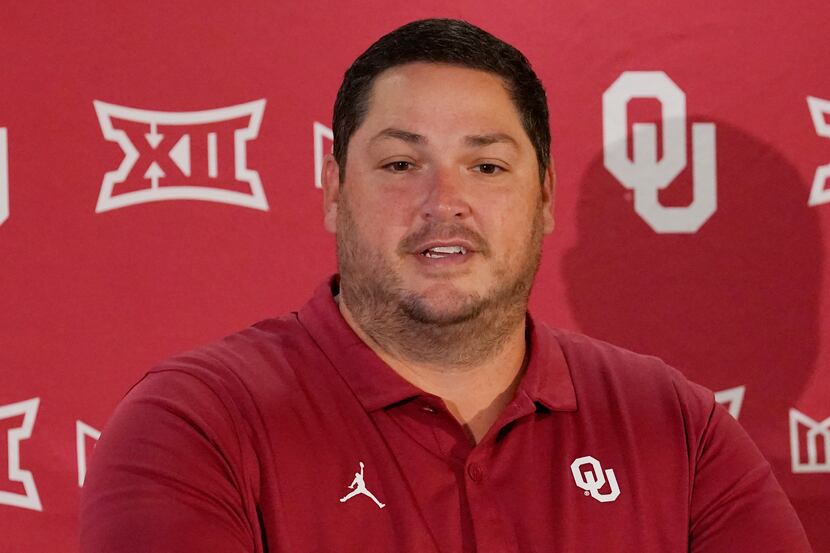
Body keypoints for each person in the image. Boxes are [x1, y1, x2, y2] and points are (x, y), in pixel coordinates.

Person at [79, 18, 813, 553]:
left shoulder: (677, 427)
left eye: (487, 166)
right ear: (334, 189)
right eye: (401, 165)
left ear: (545, 197)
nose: (444, 201)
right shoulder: (195, 422)